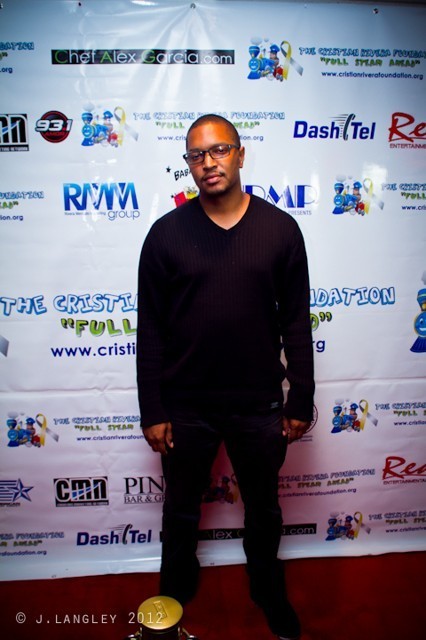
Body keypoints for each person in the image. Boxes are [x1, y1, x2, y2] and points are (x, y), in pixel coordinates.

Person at [136, 114, 314, 640]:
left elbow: (296, 320)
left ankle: (268, 590)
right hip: (185, 405)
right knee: (180, 512)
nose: (208, 163)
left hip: (259, 405)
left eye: (218, 150)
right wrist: (153, 409)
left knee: (263, 509)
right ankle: (175, 589)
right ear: (188, 165)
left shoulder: (281, 229)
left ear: (240, 154)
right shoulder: (165, 235)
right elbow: (151, 329)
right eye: (196, 155)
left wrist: (300, 398)